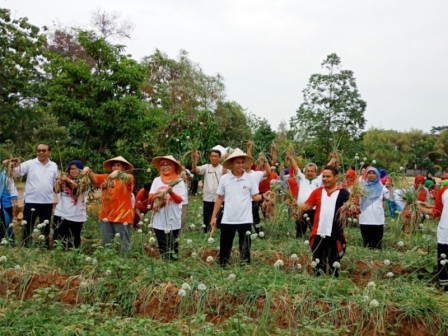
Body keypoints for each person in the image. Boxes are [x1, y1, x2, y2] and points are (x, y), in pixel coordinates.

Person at [211, 149, 262, 266]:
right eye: (238, 163)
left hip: (245, 219)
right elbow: (219, 198)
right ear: (232, 164)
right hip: (228, 218)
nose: (241, 165)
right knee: (225, 244)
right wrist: (214, 217)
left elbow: (255, 197)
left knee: (245, 245)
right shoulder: (225, 179)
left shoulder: (250, 178)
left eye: (242, 162)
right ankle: (222, 265)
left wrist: (265, 196)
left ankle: (245, 266)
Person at [2, 144, 59, 247]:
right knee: (27, 226)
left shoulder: (54, 166)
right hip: (31, 201)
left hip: (47, 201)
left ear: (49, 152)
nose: (41, 152)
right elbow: (15, 173)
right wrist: (10, 165)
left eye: (44, 150)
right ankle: (26, 246)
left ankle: (44, 247)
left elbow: (56, 183)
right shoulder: (30, 163)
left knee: (45, 227)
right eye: (39, 150)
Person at [298, 166, 349, 277]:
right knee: (318, 262)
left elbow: (353, 210)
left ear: (336, 177)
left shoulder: (344, 194)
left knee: (334, 263)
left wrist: (355, 207)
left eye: (328, 176)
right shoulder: (317, 192)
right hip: (318, 232)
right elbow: (307, 206)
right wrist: (295, 204)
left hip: (335, 233)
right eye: (324, 176)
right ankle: (317, 285)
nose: (325, 179)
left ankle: (333, 286)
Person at [83, 156, 135, 254]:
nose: (115, 167)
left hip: (122, 217)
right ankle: (107, 265)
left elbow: (128, 178)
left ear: (123, 168)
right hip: (105, 216)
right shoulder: (106, 178)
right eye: (114, 165)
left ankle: (124, 265)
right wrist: (88, 171)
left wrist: (119, 173)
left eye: (118, 165)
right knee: (106, 244)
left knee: (123, 245)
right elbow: (95, 178)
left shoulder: (128, 178)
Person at [291, 151, 338, 238]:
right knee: (300, 226)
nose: (310, 173)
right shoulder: (301, 178)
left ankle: (313, 240)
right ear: (305, 172)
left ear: (316, 172)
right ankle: (299, 239)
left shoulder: (319, 179)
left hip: (314, 209)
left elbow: (327, 167)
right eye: (308, 171)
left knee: (314, 227)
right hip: (301, 208)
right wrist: (291, 158)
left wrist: (333, 158)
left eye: (312, 171)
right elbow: (296, 168)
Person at [148, 156, 185, 260]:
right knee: (162, 245)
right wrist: (158, 196)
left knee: (173, 246)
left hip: (173, 219)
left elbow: (179, 200)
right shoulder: (157, 180)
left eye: (168, 164)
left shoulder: (178, 181)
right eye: (162, 165)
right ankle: (165, 265)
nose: (165, 167)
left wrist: (171, 192)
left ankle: (173, 267)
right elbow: (150, 196)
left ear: (173, 166)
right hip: (159, 218)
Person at [419, 179, 448, 290]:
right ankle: (445, 284)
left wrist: (421, 208)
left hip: (445, 230)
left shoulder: (444, 191)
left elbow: (437, 212)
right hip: (445, 230)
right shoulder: (443, 191)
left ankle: (445, 285)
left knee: (444, 258)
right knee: (443, 258)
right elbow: (437, 211)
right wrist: (422, 208)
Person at [53, 160, 88, 249]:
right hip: (60, 213)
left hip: (76, 215)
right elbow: (56, 190)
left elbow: (78, 189)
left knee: (74, 239)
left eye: (76, 169)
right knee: (59, 239)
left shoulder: (84, 181)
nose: (73, 171)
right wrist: (58, 183)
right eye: (71, 169)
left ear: (80, 170)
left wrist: (67, 180)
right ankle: (59, 257)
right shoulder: (64, 180)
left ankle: (73, 258)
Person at [191, 149, 227, 233]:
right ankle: (207, 230)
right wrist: (194, 160)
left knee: (220, 216)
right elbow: (195, 170)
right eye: (212, 156)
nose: (214, 158)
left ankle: (219, 231)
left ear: (219, 158)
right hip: (208, 197)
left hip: (220, 198)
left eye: (216, 156)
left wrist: (226, 160)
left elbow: (227, 173)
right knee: (207, 216)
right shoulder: (206, 167)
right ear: (209, 158)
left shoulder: (222, 168)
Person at [359, 167, 390, 249]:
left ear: (377, 175)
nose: (371, 175)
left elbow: (388, 197)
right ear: (366, 174)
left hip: (377, 219)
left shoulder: (382, 188)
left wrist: (389, 187)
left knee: (377, 243)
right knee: (366, 243)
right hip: (365, 217)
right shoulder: (362, 187)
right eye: (369, 173)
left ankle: (377, 260)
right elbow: (355, 197)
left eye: (373, 173)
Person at [244, 154, 270, 234]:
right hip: (243, 201)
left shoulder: (256, 174)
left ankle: (259, 232)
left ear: (252, 163)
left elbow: (268, 172)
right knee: (244, 218)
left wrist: (265, 161)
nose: (247, 163)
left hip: (253, 200)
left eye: (249, 162)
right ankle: (246, 232)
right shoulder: (239, 174)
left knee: (255, 217)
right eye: (245, 162)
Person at [0, 169, 19, 246]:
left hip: (6, 204)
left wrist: (15, 204)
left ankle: (10, 244)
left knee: (7, 226)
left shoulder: (5, 174)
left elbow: (12, 188)